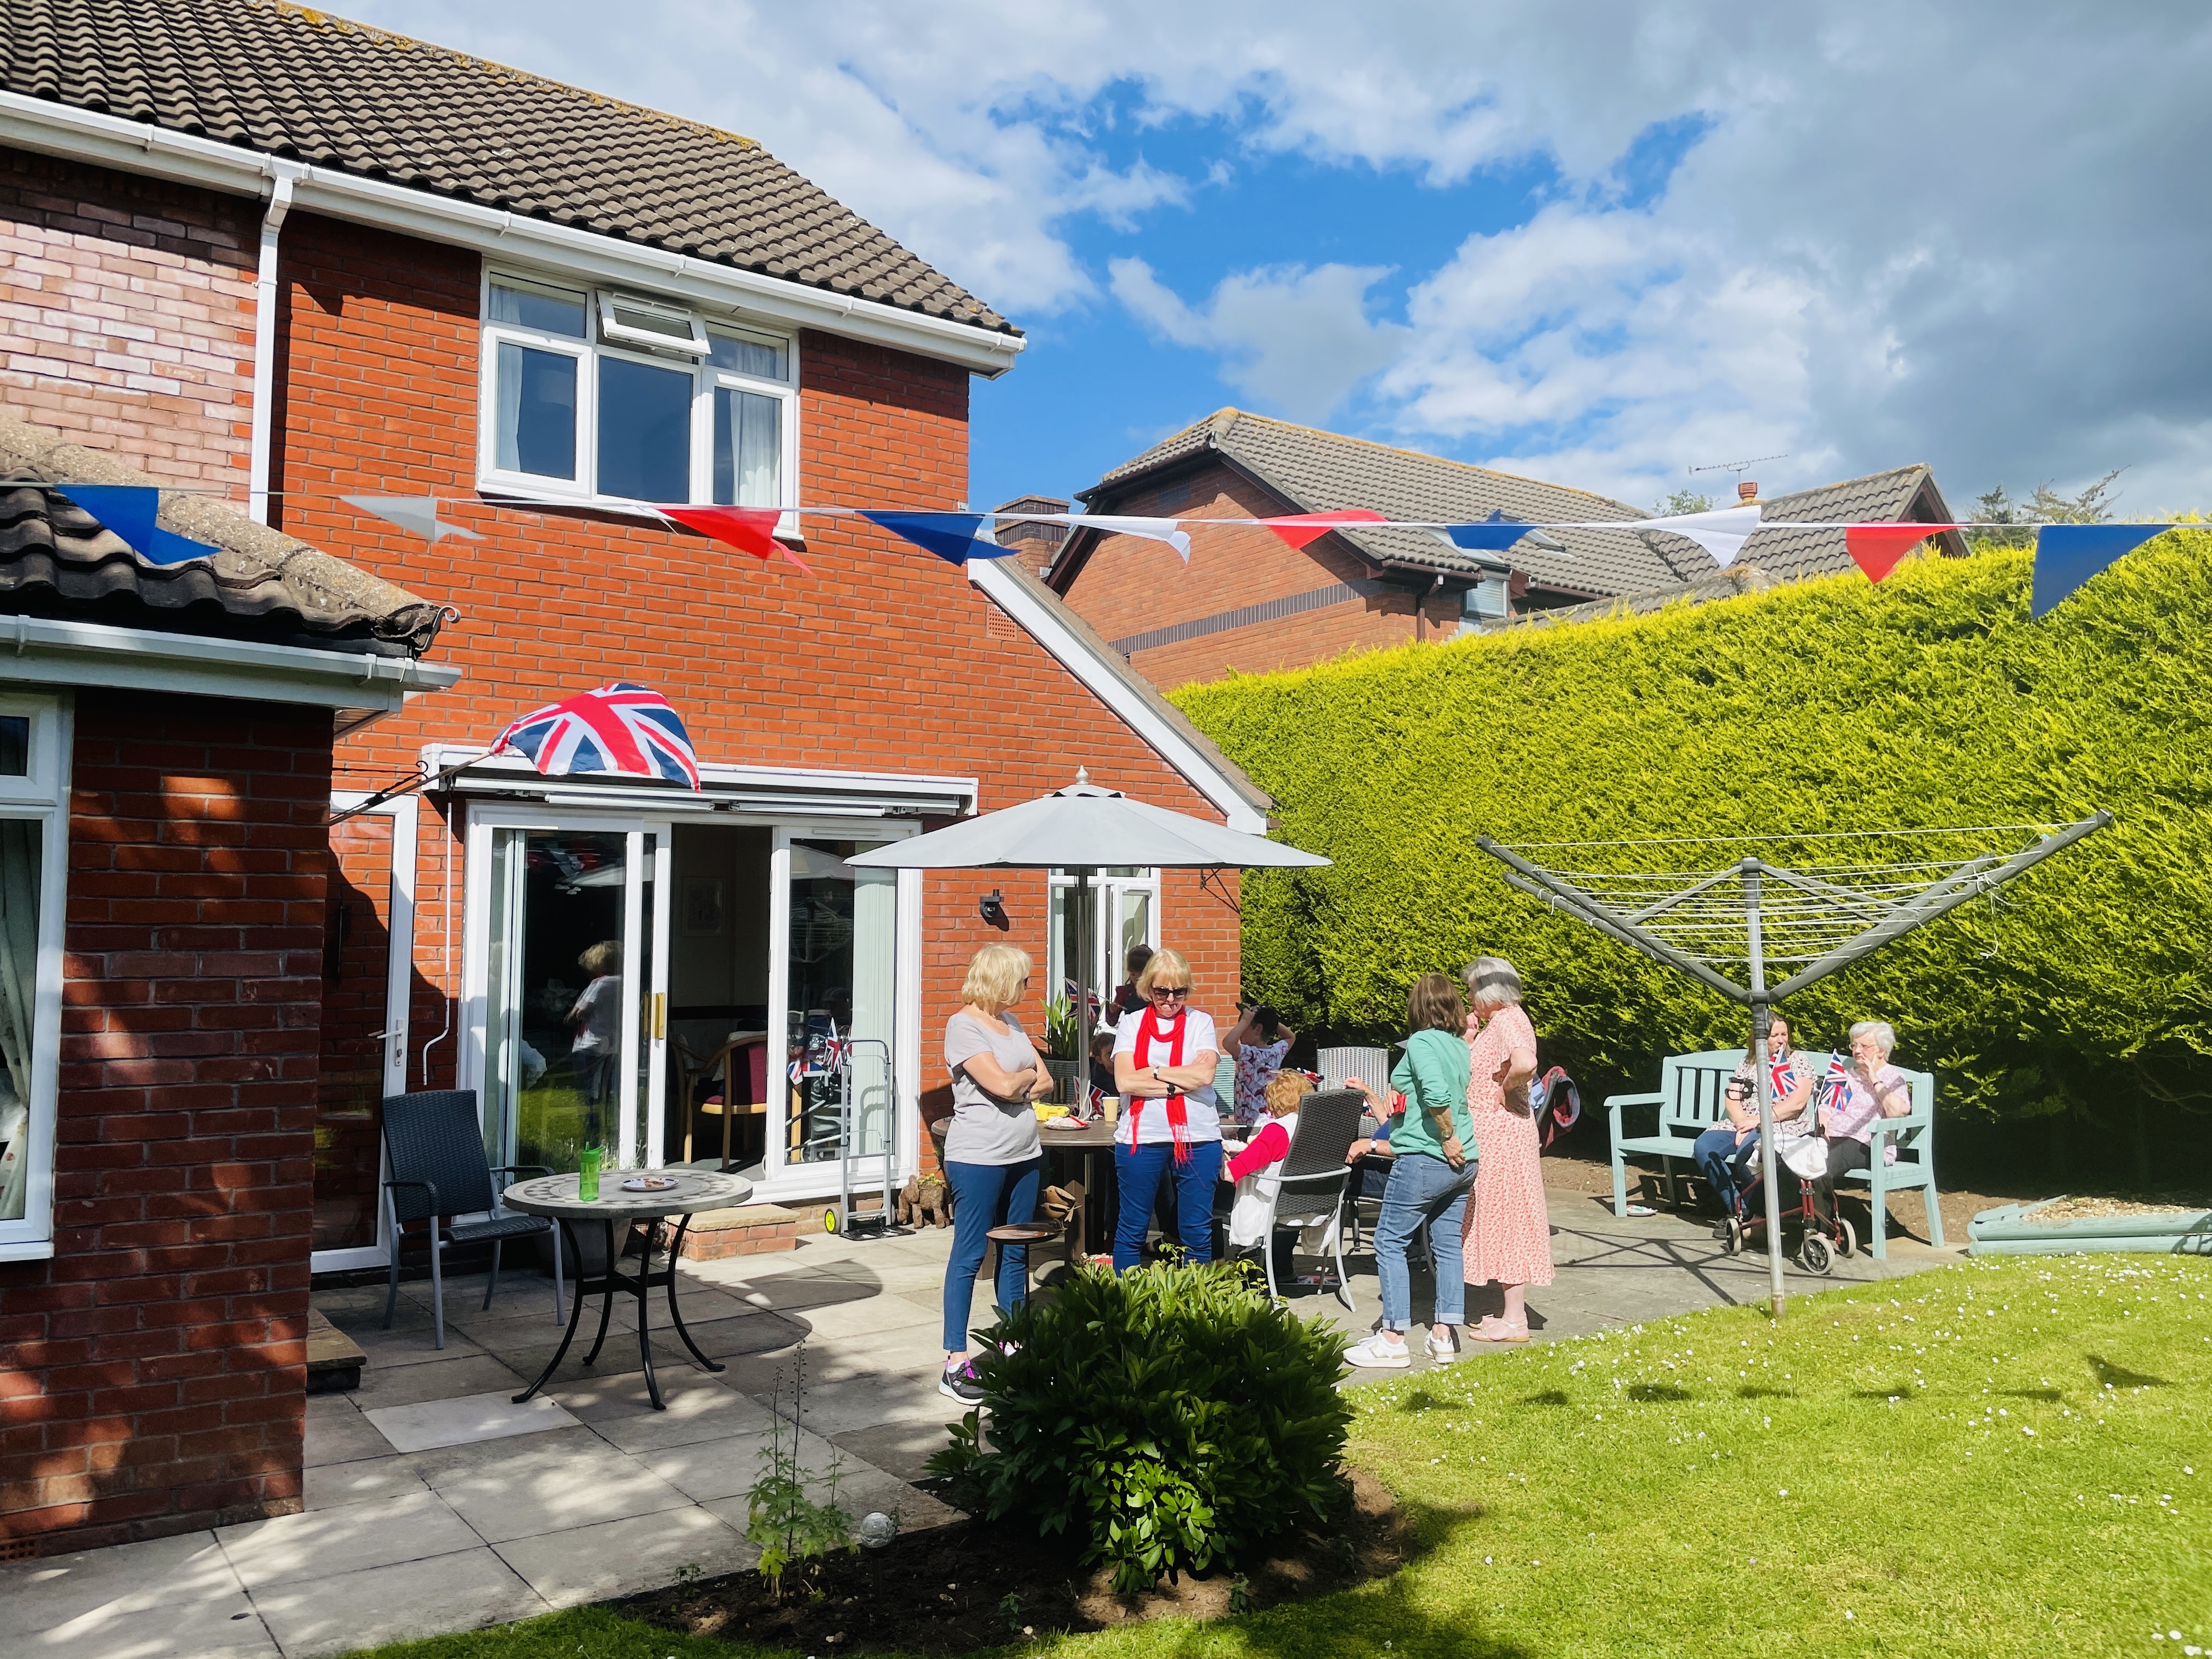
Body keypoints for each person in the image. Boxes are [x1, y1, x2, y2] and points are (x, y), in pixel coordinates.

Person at [1340, 973, 1476, 1369]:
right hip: (1466, 1162)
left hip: (1429, 1156)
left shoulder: (1420, 1042)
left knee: (1388, 1241)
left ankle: (1393, 1338)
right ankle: (1443, 1336)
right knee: (1448, 1244)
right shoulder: (1458, 1045)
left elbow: (1435, 1093)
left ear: (1417, 1007)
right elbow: (1420, 1088)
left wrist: (1447, 1136)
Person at [938, 943, 1055, 1404]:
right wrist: (1021, 1081)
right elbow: (1007, 1084)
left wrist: (1020, 1083)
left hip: (1024, 1153)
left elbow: (1044, 1081)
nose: (1027, 988)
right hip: (978, 1159)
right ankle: (954, 1363)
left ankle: (1014, 1347)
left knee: (1016, 1254)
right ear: (1001, 979)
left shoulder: (1012, 1024)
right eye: (1022, 979)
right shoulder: (962, 1025)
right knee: (970, 1256)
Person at [1110, 948, 1224, 1271]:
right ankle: (1125, 1306)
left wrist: (1155, 1071)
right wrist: (1180, 1079)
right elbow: (1125, 1082)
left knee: (1196, 1231)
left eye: (1179, 991)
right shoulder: (1131, 1024)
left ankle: (1193, 1308)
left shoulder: (1201, 1022)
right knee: (1132, 1229)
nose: (1171, 999)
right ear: (1148, 988)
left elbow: (1204, 1076)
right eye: (1162, 991)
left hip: (1198, 1136)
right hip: (1141, 1136)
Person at [1461, 955, 1548, 1345]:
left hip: (1505, 1138)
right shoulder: (1501, 1021)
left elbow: (1526, 1062)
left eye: (1471, 988)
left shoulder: (1510, 1019)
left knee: (1510, 1218)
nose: (1468, 995)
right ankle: (1509, 1313)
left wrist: (1505, 1089)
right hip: (1497, 1137)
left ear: (1488, 990)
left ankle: (1515, 1320)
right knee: (1498, 1217)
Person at [1694, 1014, 1816, 1238]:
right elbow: (1732, 1096)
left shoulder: (1798, 1061)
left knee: (1748, 1153)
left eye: (1784, 1034)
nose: (1782, 1040)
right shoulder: (1748, 1062)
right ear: (1759, 1038)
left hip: (1782, 1125)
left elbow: (1797, 1103)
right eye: (1775, 1035)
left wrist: (1757, 1122)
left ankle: (1759, 1216)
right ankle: (1741, 1210)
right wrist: (1742, 1123)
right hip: (1744, 1124)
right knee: (1705, 1147)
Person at [1809, 1019, 1914, 1229]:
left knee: (1821, 1166)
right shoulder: (1844, 1075)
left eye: (1864, 1046)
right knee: (1794, 1158)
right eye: (1854, 1045)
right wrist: (1824, 1126)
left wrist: (1873, 1077)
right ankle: (1795, 1220)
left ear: (1882, 1051)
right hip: (1832, 1138)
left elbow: (1898, 1112)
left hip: (1868, 1143)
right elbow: (1825, 1107)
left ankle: (1821, 1229)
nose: (1857, 1051)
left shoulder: (1894, 1077)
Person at [1221, 1067, 1316, 1273]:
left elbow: (1230, 1174)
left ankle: (1221, 1263)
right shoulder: (1314, 1128)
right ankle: (1282, 1268)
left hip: (1273, 1206)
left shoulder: (1276, 1132)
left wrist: (1221, 1154)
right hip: (1309, 1203)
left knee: (1207, 1188)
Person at [566, 940, 623, 1140]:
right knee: (608, 1090)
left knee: (588, 1092)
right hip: (613, 1045)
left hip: (590, 1044)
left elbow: (578, 1014)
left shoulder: (601, 984)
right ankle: (611, 1129)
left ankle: (591, 1132)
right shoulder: (626, 982)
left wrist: (571, 1016)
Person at [1223, 1002, 1296, 1127]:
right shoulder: (1276, 1051)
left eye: (1244, 1027)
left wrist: (1247, 1018)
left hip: (1248, 1123)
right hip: (1268, 1118)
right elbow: (1291, 1036)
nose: (1240, 1032)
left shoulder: (1248, 1053)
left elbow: (1228, 1043)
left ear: (1258, 1029)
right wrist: (1270, 1020)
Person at [1109, 943, 1155, 1022]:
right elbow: (1112, 1022)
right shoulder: (1125, 992)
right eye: (1133, 974)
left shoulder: (1157, 990)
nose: (1137, 978)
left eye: (1141, 974)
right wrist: (1113, 1011)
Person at [1087, 1029, 1119, 1100]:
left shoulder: (1129, 1072)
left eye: (1117, 1052)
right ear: (1099, 1060)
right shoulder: (1095, 1081)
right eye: (1110, 1054)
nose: (1114, 1056)